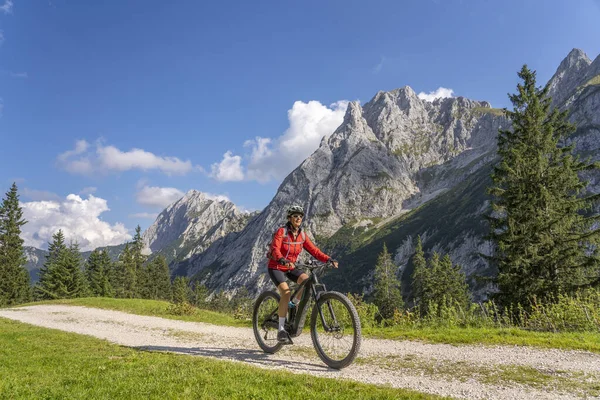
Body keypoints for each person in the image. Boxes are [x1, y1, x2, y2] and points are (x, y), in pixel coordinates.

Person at [267, 205, 338, 344]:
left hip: (291, 266)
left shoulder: (302, 235)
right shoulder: (282, 232)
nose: (298, 218)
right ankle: (281, 329)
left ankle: (293, 304)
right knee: (286, 293)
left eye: (300, 216)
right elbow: (275, 248)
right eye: (295, 216)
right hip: (276, 266)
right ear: (289, 218)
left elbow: (315, 251)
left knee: (306, 281)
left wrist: (329, 259)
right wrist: (282, 259)